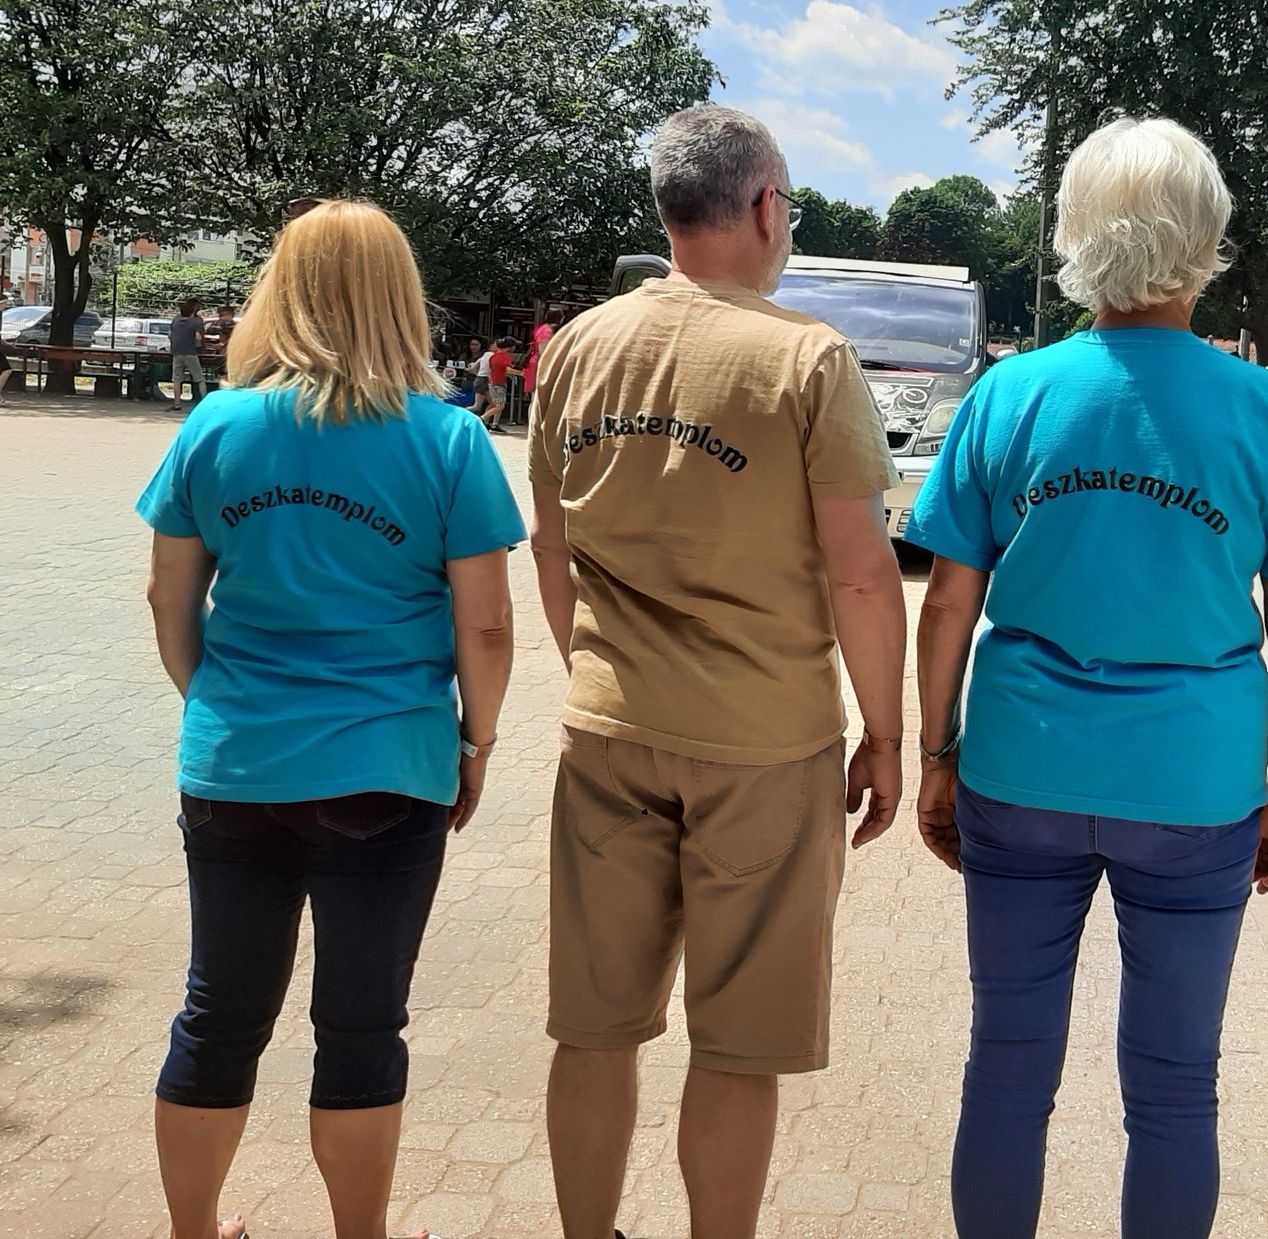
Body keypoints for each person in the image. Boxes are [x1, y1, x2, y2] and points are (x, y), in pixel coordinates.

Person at [907, 117, 1268, 1239]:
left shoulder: (1011, 394)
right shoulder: (1266, 408)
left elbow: (947, 602)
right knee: (1174, 1083)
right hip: (1196, 783)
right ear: (1205, 240)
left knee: (1007, 1063)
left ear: (1075, 235)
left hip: (1023, 768)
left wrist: (935, 754)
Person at [528, 105, 905, 1239]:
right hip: (763, 744)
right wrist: (886, 733)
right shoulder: (805, 358)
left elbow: (550, 547)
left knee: (593, 1028)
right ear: (764, 207)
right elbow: (862, 575)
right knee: (738, 1046)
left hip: (609, 729)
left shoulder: (577, 347)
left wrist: (593, 668)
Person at [136, 200, 526, 1239]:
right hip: (388, 765)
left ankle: (191, 1233)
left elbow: (168, 596)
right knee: (360, 1025)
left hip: (235, 764)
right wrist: (476, 742)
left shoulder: (216, 425)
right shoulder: (450, 439)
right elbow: (487, 627)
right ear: (401, 300)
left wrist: (213, 705)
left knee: (219, 1011)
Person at [166, 298, 207, 410]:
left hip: (176, 352)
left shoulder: (175, 320)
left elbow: (169, 335)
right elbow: (198, 337)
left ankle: (177, 404)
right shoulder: (196, 321)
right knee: (199, 378)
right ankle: (204, 402)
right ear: (194, 310)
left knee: (177, 379)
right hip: (191, 352)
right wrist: (200, 347)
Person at [480, 335, 514, 434]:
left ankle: (492, 423)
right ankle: (483, 418)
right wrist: (522, 373)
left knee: (494, 404)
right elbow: (508, 370)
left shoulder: (493, 356)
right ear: (509, 347)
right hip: (499, 383)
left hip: (492, 382)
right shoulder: (506, 357)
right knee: (500, 406)